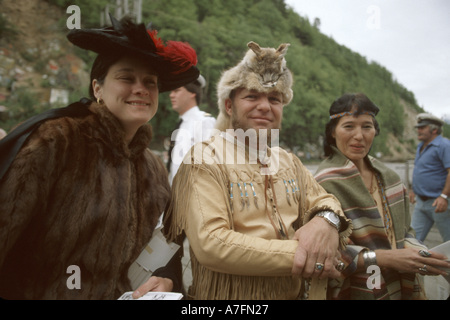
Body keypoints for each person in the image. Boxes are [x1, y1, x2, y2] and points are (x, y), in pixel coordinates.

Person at [0, 15, 200, 300]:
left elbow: (161, 247)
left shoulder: (153, 169)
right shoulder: (55, 143)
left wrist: (165, 278)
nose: (141, 89)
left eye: (150, 82)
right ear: (97, 89)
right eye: (126, 78)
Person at [163, 41, 352, 300]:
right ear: (229, 107)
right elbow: (212, 244)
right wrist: (306, 255)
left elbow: (325, 200)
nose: (265, 106)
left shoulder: (288, 160)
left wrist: (326, 221)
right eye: (252, 96)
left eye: (274, 99)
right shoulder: (204, 159)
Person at [314, 93, 450, 300]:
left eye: (367, 126)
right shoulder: (322, 184)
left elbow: (405, 232)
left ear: (375, 131)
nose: (359, 136)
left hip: (398, 284)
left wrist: (421, 257)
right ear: (333, 131)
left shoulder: (390, 178)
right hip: (356, 289)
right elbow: (325, 254)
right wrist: (387, 258)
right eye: (349, 126)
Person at [167, 75, 216, 184]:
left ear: (192, 93)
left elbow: (209, 169)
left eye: (176, 91)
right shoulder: (182, 123)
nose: (171, 95)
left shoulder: (203, 122)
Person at [409, 113, 450, 243]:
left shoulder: (444, 145)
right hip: (421, 202)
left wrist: (444, 196)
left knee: (448, 242)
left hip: (439, 203)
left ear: (434, 130)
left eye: (422, 127)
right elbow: (421, 171)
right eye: (418, 127)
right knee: (412, 240)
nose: (418, 130)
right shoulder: (421, 146)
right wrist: (413, 190)